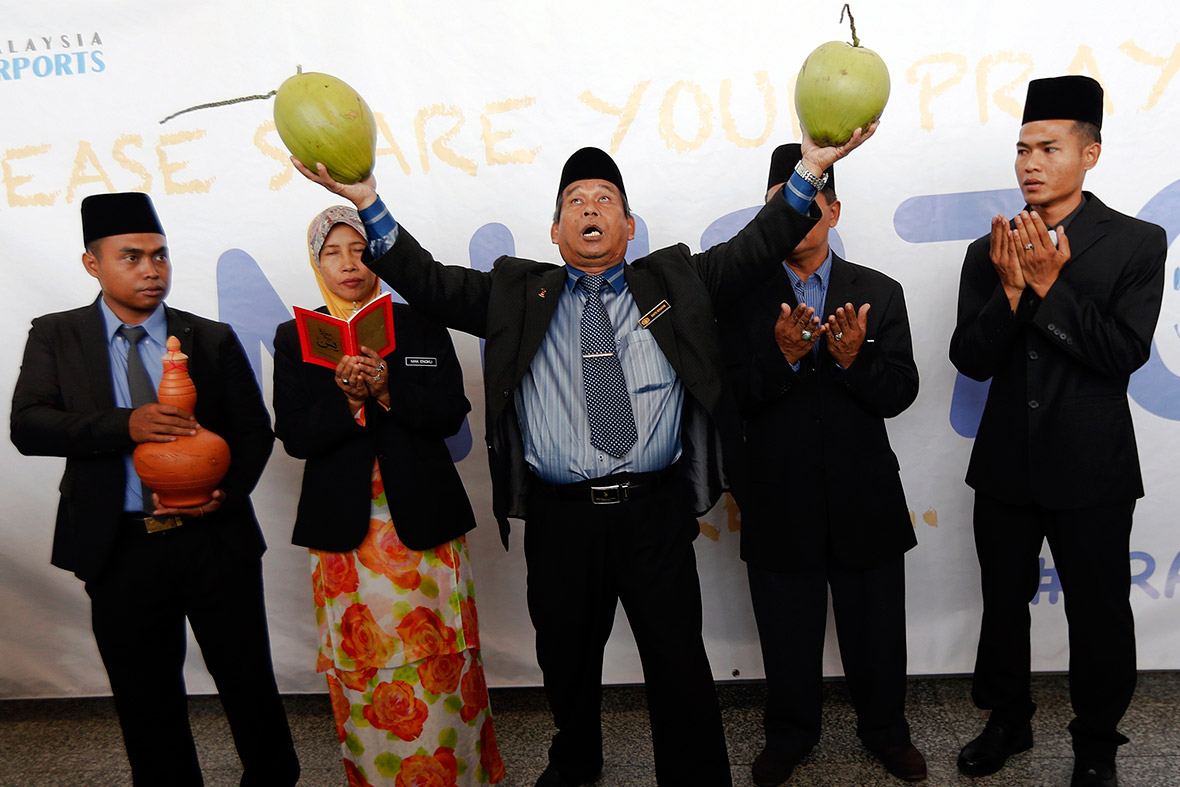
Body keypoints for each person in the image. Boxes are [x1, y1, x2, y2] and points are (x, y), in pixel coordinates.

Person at [294, 127, 875, 787]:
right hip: (560, 518)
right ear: (554, 228)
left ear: (629, 226)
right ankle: (576, 760)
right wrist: (368, 201)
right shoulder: (516, 292)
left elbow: (756, 247)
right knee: (567, 661)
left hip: (654, 514)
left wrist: (809, 171)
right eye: (576, 199)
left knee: (678, 664)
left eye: (605, 199)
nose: (591, 208)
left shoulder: (674, 280)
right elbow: (429, 283)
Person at [10, 192, 299, 786]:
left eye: (160, 256)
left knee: (248, 682)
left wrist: (226, 492)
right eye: (132, 257)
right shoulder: (57, 337)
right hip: (119, 548)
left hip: (215, 541)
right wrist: (126, 424)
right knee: (146, 700)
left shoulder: (210, 338)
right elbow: (27, 426)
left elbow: (253, 432)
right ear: (93, 264)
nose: (151, 270)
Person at [949, 76, 1165, 787]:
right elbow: (970, 358)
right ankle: (1007, 720)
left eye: (1048, 146)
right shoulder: (991, 250)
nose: (1029, 162)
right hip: (1006, 467)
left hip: (1092, 468)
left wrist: (1049, 285)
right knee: (1002, 605)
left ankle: (1097, 740)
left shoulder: (1137, 241)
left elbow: (1122, 355)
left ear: (1090, 153)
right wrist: (1011, 290)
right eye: (1021, 148)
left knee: (1099, 614)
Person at [272, 206, 505, 786]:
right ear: (316, 262)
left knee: (442, 657)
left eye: (360, 249)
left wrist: (387, 388)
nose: (349, 264)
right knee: (362, 665)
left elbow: (453, 411)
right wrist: (348, 401)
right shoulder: (294, 337)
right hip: (344, 535)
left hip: (424, 526)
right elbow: (296, 435)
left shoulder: (420, 323)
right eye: (333, 252)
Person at [719, 143, 923, 785]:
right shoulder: (739, 297)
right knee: (786, 635)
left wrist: (852, 360)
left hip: (865, 496)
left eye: (809, 206)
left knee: (879, 633)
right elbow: (727, 398)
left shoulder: (878, 293)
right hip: (779, 495)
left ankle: (887, 733)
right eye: (782, 208)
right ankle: (790, 734)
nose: (796, 218)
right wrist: (781, 358)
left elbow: (901, 391)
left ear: (833, 211)